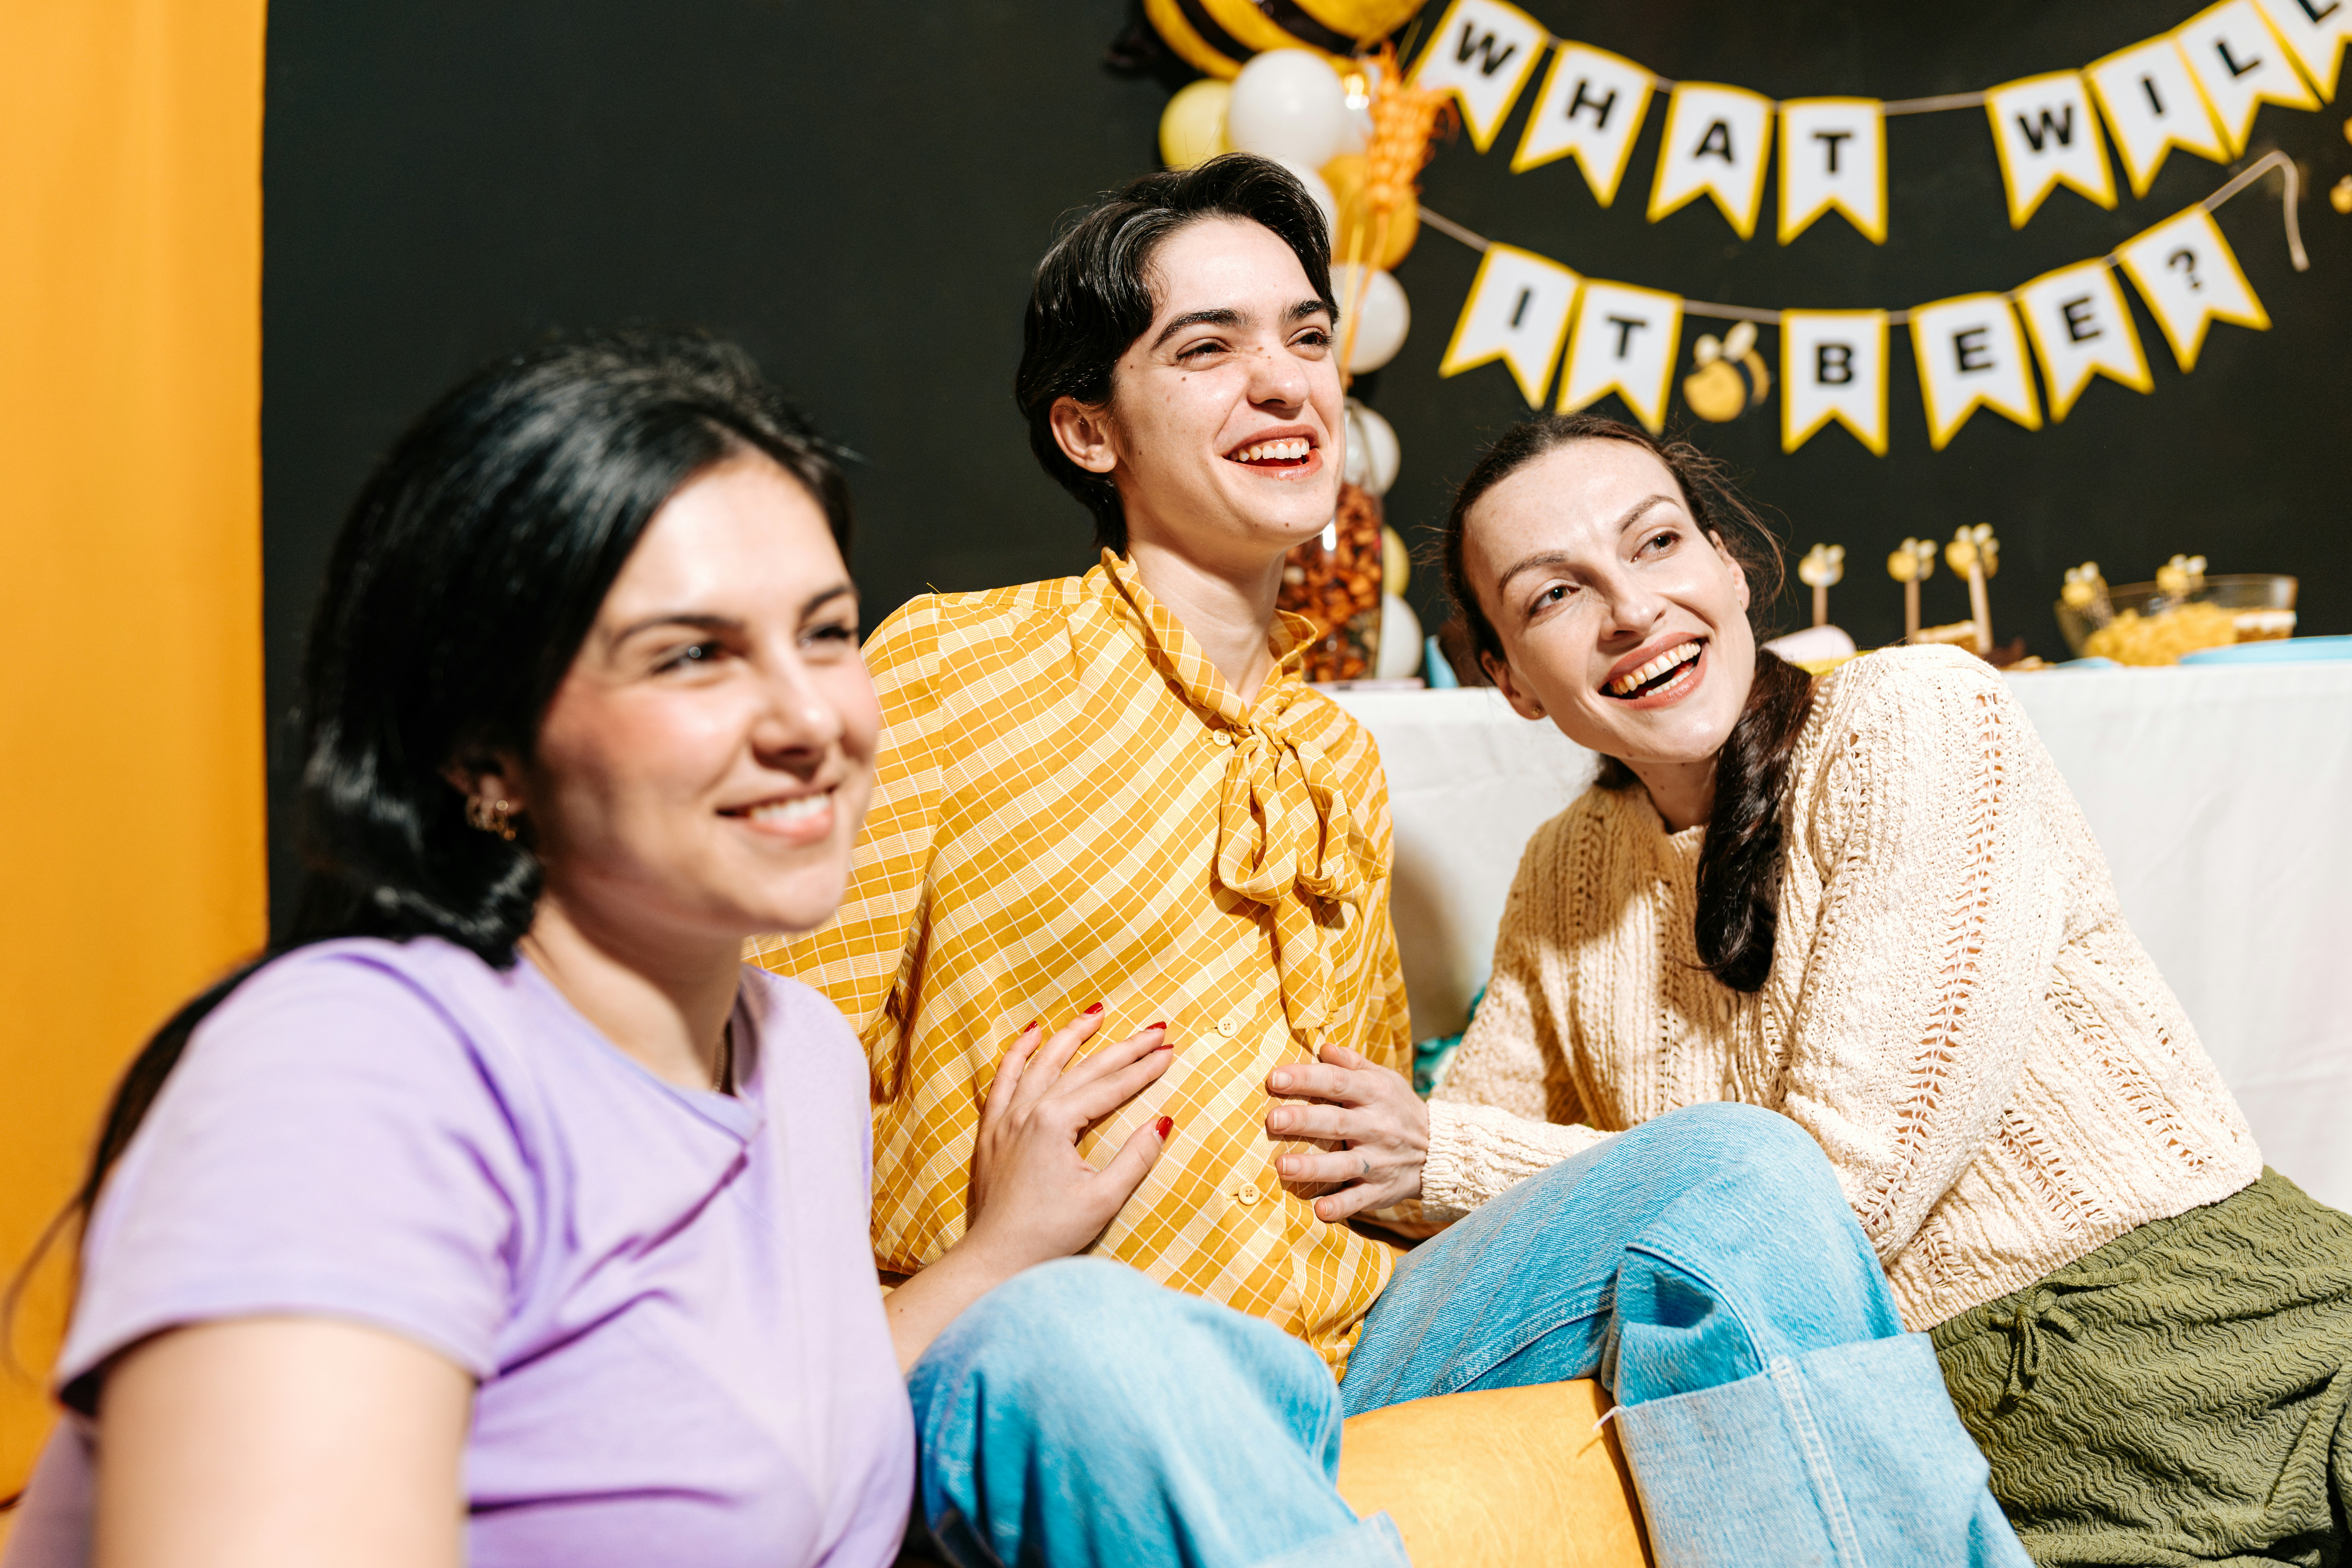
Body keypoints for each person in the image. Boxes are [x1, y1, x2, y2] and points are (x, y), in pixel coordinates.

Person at [760, 154, 2031, 1567]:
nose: (1286, 380)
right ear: (1088, 429)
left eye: (1308, 335)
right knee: (1066, 1335)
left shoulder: (1334, 755)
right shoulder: (953, 668)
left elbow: (1368, 1145)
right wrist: (975, 1255)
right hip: (1071, 1324)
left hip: (1366, 1336)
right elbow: (770, 1051)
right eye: (1208, 345)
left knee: (1736, 1169)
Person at [1, 332, 1180, 1568]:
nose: (810, 720)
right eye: (691, 655)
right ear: (484, 756)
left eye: (826, 634)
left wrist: (1001, 1252)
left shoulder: (798, 1054)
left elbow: (764, 1443)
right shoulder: (355, 1077)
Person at [1430, 409, 2352, 1565]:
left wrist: (1440, 1156)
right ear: (1507, 678)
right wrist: (1419, 1167)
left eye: (1657, 543)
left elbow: (1831, 1197)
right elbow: (1462, 1207)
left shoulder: (1910, 719)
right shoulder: (1565, 872)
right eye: (1552, 596)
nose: (1631, 610)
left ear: (1728, 561)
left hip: (2240, 1351)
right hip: (1993, 1467)